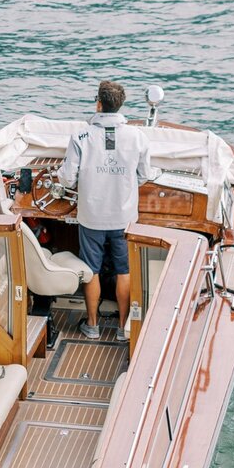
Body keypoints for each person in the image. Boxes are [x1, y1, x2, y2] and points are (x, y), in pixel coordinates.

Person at [59, 79, 151, 342]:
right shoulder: (137, 137)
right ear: (120, 105)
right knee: (124, 270)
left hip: (92, 216)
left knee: (92, 270)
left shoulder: (80, 136)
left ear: (98, 103)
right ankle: (123, 328)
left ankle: (92, 325)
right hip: (123, 217)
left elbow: (67, 178)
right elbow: (144, 175)